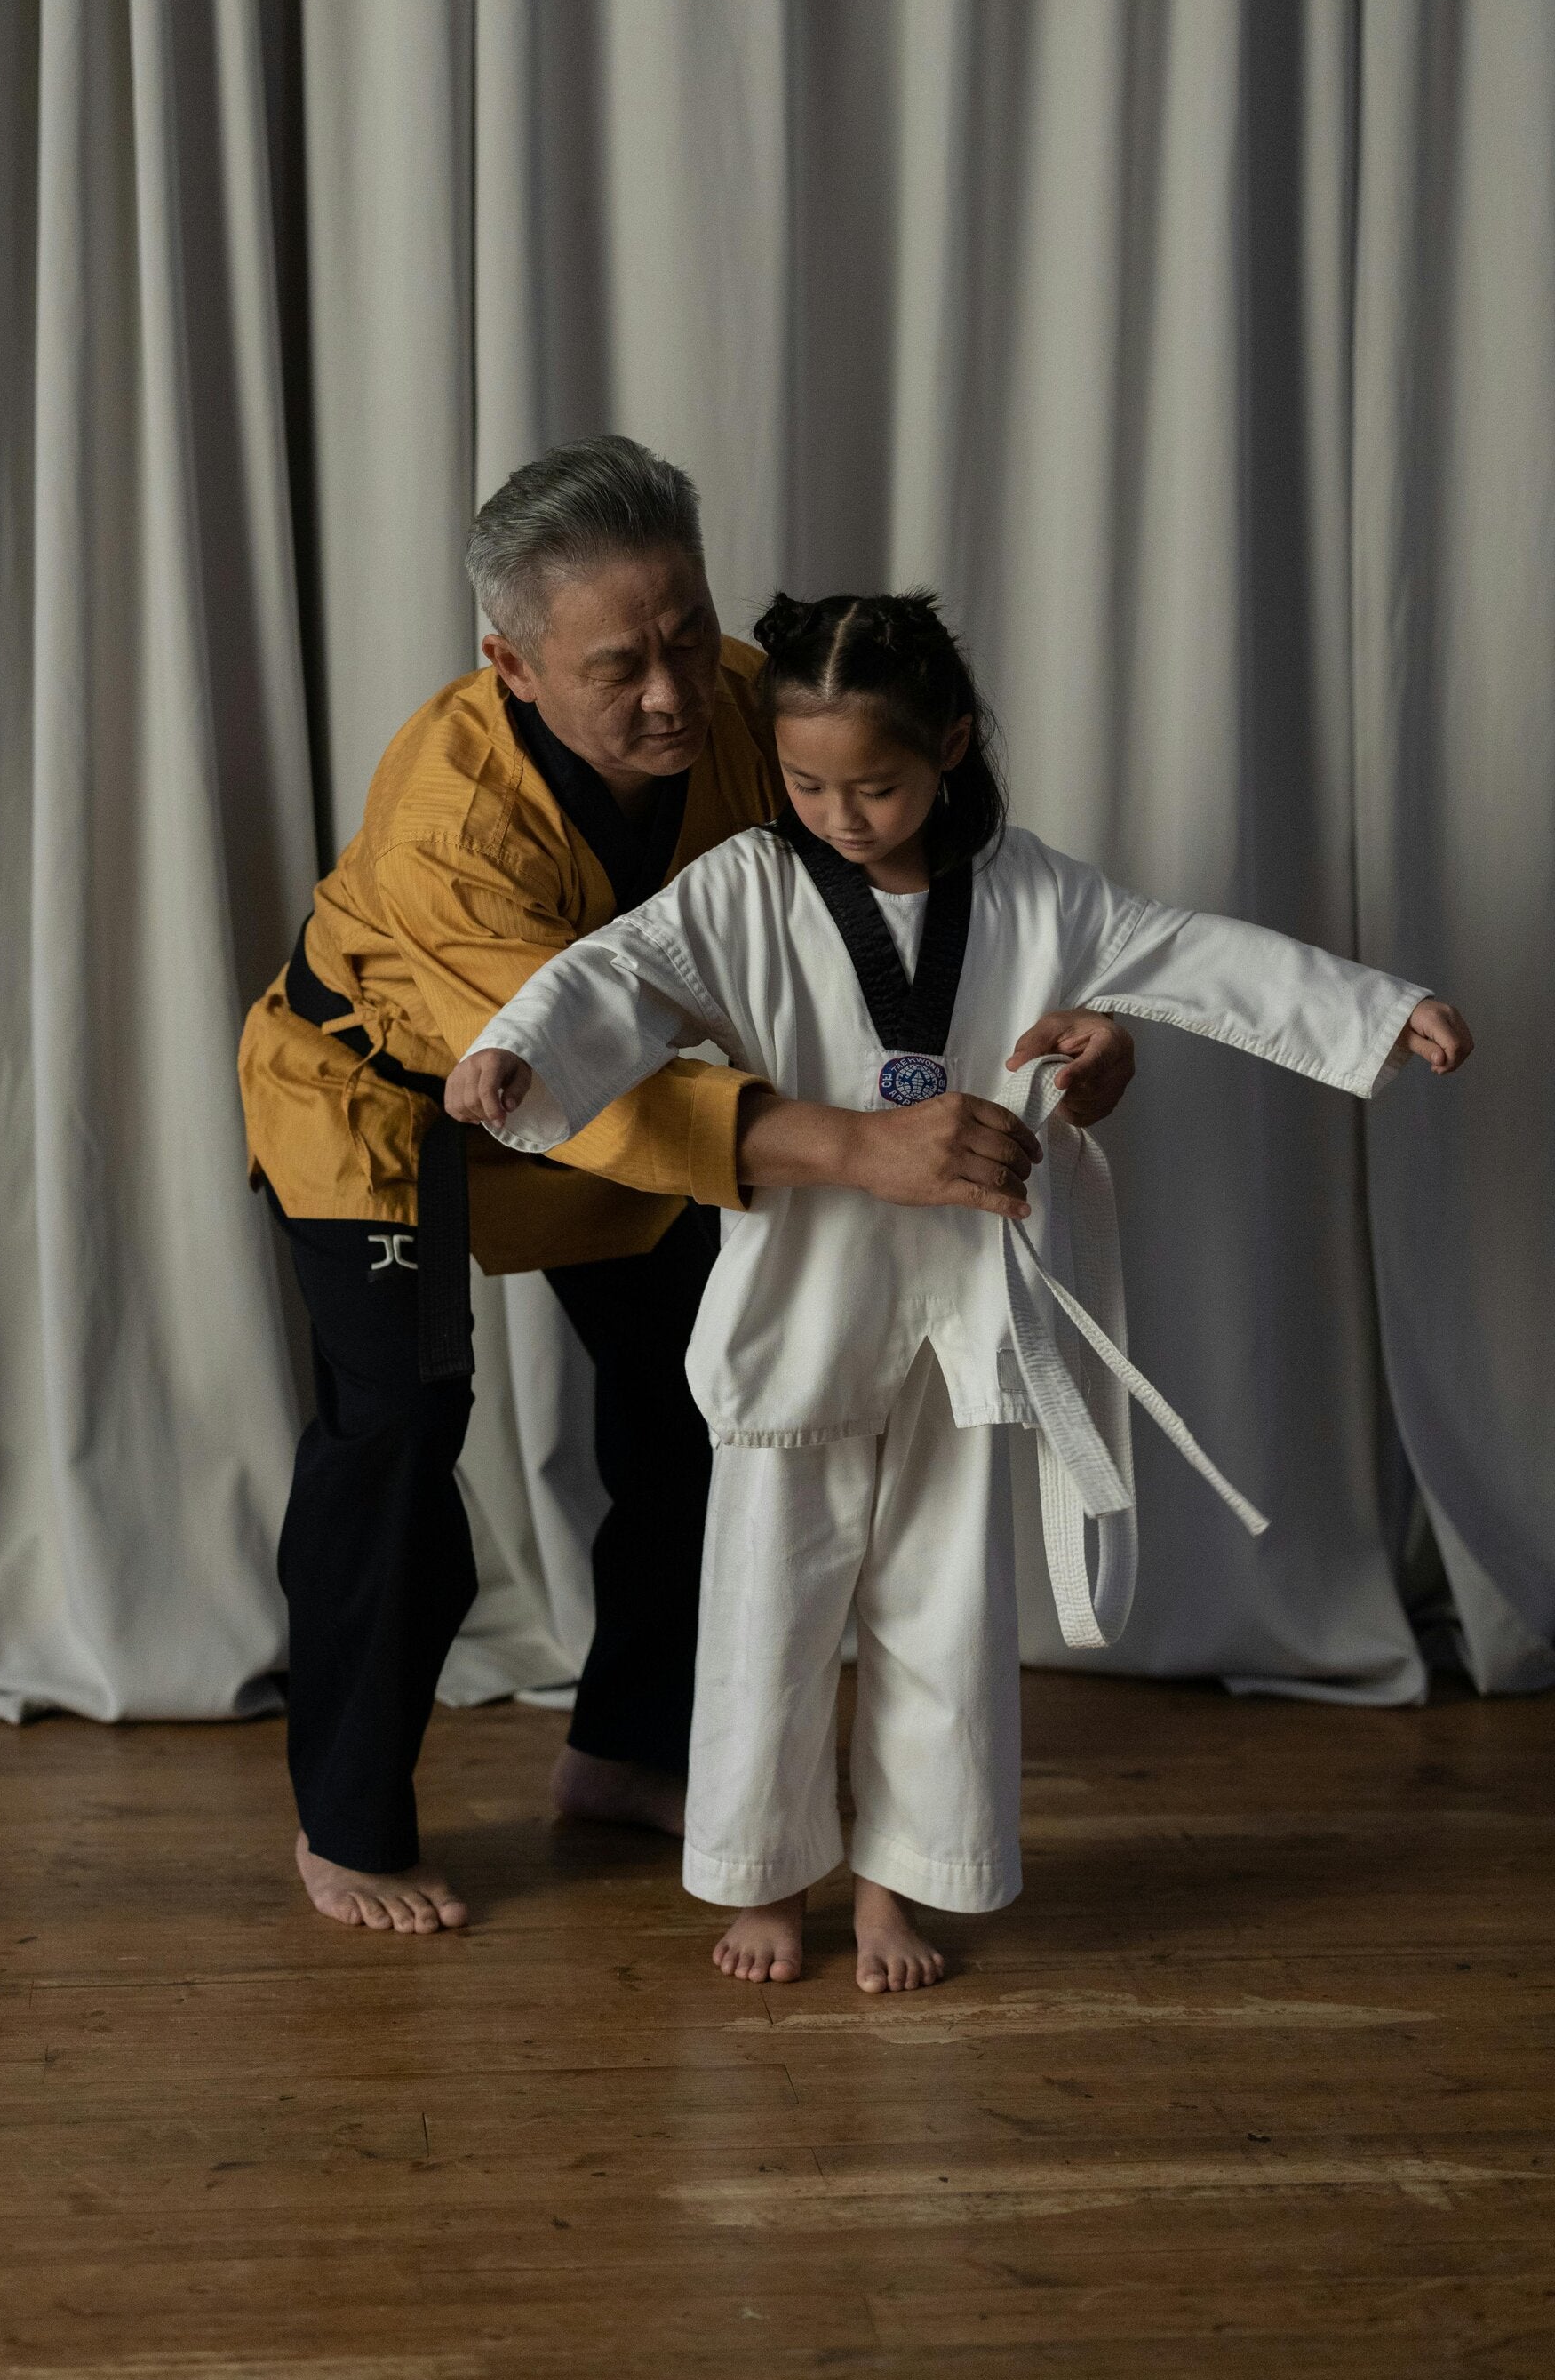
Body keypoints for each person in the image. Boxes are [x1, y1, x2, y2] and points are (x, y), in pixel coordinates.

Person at [446, 587, 1475, 1993]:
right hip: (801, 1301)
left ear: (951, 746)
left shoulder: (1042, 893)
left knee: (944, 1611)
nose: (842, 814)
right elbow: (613, 977)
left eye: (873, 783)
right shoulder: (744, 886)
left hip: (969, 1308)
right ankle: (769, 1880)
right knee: (770, 1609)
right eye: (807, 783)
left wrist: (1375, 1007)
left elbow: (1198, 953)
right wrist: (518, 1049)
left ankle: (895, 1889)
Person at [238, 444, 1139, 1935]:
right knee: (398, 1435)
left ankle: (625, 1750)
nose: (675, 689)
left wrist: (1073, 1044)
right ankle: (348, 1823)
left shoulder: (742, 701)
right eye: (619, 667)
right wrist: (860, 1149)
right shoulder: (450, 824)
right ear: (512, 668)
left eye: (685, 632)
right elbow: (579, 1082)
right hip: (390, 1112)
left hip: (674, 1110)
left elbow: (932, 897)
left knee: (702, 1393)